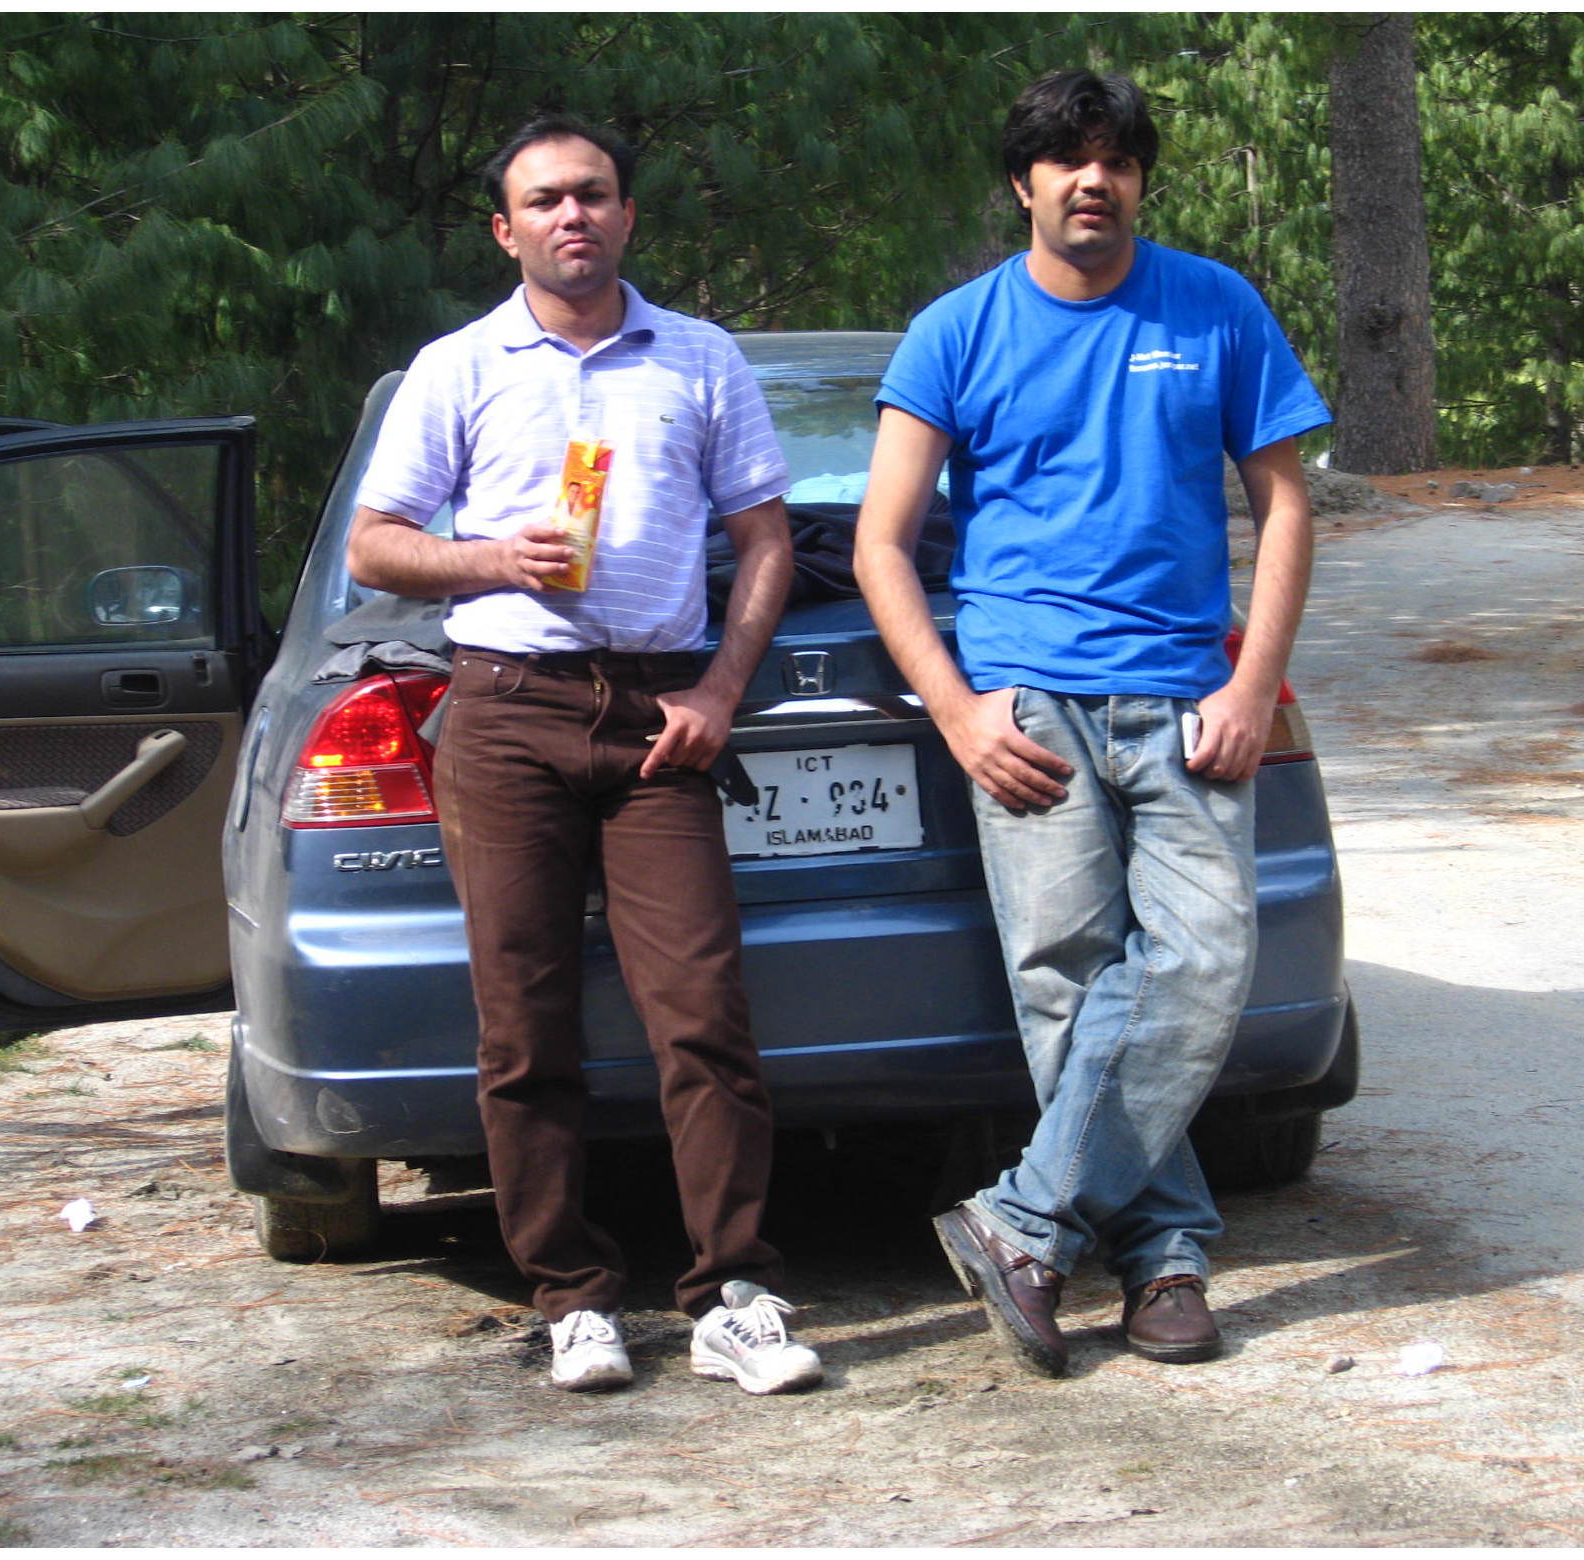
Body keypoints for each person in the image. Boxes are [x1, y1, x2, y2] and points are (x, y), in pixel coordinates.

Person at [853, 69, 1330, 1377]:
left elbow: (1285, 503)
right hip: (1028, 707)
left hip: (1184, 699)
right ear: (1023, 184)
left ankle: (1021, 1222)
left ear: (1138, 179)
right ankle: (1165, 1257)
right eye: (1066, 160)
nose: (1092, 180)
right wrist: (957, 713)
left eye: (1115, 159)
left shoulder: (1215, 306)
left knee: (1203, 962)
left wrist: (1250, 683)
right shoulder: (954, 333)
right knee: (1067, 984)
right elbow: (883, 542)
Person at [346, 115, 821, 1396]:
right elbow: (377, 543)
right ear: (505, 230)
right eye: (547, 200)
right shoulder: (458, 366)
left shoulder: (701, 357)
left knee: (704, 1017)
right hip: (506, 711)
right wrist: (494, 557)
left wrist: (721, 689)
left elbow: (765, 541)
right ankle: (571, 1297)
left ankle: (732, 1296)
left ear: (626, 215)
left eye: (595, 194)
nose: (574, 216)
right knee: (524, 1026)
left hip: (661, 714)